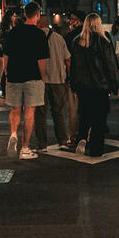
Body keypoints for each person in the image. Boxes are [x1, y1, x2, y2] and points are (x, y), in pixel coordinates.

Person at [0, 3, 49, 158]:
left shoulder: (13, 32)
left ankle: (13, 133)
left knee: (15, 109)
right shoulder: (40, 34)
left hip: (14, 75)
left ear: (25, 14)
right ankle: (25, 148)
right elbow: (42, 60)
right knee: (29, 111)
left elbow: (5, 56)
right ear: (37, 15)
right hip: (33, 77)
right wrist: (44, 77)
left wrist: (7, 72)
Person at [67, 14, 119, 156]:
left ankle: (82, 138)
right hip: (100, 86)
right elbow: (111, 65)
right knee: (99, 118)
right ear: (98, 24)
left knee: (85, 114)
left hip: (83, 86)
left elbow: (73, 67)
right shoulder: (103, 41)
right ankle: (96, 148)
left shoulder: (76, 42)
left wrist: (73, 84)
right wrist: (115, 84)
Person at [43, 11, 75, 152]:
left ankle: (41, 144)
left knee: (40, 113)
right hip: (58, 79)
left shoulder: (35, 38)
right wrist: (69, 76)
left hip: (41, 80)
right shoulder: (58, 38)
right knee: (58, 112)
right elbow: (67, 60)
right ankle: (62, 140)